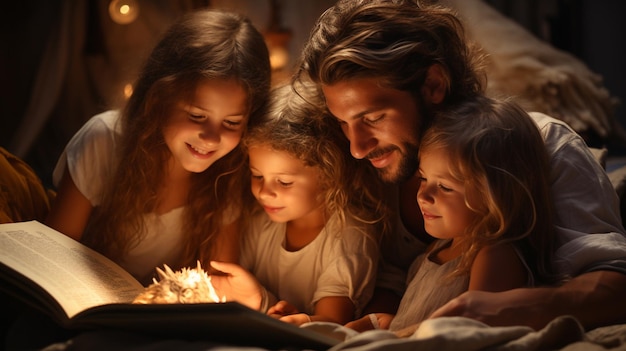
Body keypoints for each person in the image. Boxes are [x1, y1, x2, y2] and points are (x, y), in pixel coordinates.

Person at [294, 0, 626, 331]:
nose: (357, 147)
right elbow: (396, 281)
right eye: (343, 122)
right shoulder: (365, 170)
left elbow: (616, 287)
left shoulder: (535, 146)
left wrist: (497, 310)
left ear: (434, 85)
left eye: (374, 117)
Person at [44, 9, 271, 286]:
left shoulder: (230, 173)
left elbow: (216, 285)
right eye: (197, 116)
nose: (211, 138)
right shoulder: (104, 140)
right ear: (158, 100)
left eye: (232, 123)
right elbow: (51, 260)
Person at [209, 82, 388, 326]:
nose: (264, 192)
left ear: (328, 175)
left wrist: (263, 303)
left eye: (283, 182)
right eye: (257, 175)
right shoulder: (260, 224)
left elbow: (332, 324)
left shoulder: (349, 236)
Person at [384, 95, 558, 332]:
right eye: (423, 178)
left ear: (496, 195)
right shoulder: (435, 250)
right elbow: (416, 316)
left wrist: (392, 341)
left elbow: (467, 331)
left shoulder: (493, 255)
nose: (423, 196)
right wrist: (384, 324)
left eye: (445, 187)